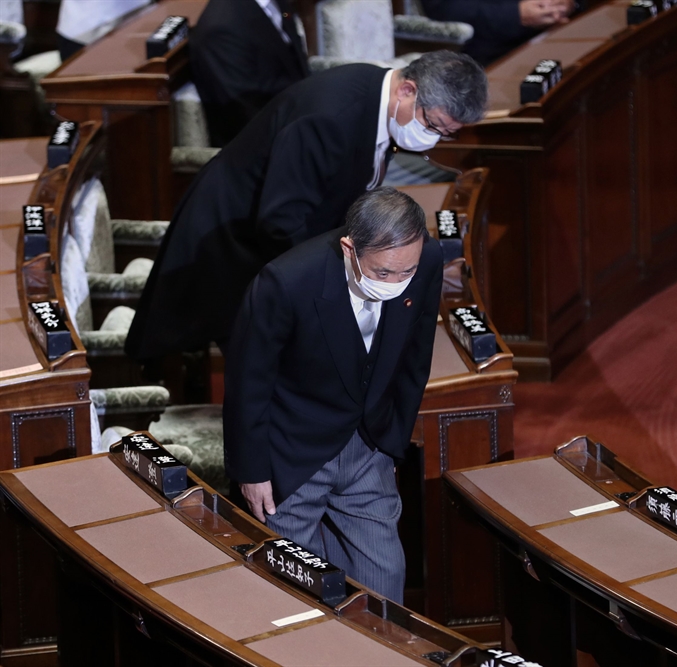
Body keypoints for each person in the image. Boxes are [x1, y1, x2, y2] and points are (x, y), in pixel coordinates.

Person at [125, 50, 487, 361]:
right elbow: (280, 221)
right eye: (433, 125)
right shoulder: (330, 117)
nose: (434, 139)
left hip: (266, 233)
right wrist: (346, 277)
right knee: (258, 362)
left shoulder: (379, 97)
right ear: (407, 90)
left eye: (447, 133)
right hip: (229, 241)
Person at [224, 187, 442, 603]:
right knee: (296, 594)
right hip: (292, 455)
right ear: (349, 248)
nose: (396, 284)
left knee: (385, 584)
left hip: (367, 448)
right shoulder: (285, 282)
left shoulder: (426, 261)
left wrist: (391, 445)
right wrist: (251, 473)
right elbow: (248, 384)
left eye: (405, 273)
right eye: (383, 273)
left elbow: (416, 359)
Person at [190, 0, 309, 147]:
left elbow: (295, 67)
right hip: (269, 147)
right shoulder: (221, 30)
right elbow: (246, 114)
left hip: (298, 116)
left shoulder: (276, 4)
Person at [422, 0, 576, 66]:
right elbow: (443, 8)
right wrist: (516, 15)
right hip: (490, 50)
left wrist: (566, 3)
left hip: (564, 34)